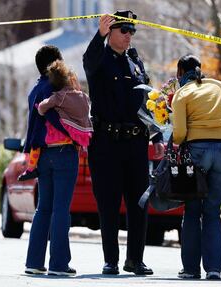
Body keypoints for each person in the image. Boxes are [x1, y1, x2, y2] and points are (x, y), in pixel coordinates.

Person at [82, 10, 164, 276]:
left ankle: (135, 260)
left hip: (135, 143)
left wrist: (157, 134)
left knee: (139, 203)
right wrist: (99, 35)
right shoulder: (100, 58)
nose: (129, 36)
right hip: (107, 142)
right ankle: (111, 260)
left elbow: (148, 101)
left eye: (132, 31)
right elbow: (88, 60)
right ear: (111, 32)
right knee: (108, 203)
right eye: (124, 31)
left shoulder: (135, 62)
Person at [171, 54, 221, 280]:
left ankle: (191, 269)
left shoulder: (182, 93)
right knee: (213, 210)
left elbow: (180, 133)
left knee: (192, 210)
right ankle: (214, 268)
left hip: (197, 152)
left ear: (180, 72)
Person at [23, 45, 78, 277]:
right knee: (61, 209)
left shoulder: (35, 89)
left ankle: (34, 262)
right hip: (64, 152)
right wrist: (77, 134)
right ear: (57, 63)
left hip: (42, 155)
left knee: (43, 208)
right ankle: (59, 264)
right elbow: (57, 117)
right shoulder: (57, 86)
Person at [18, 60, 93, 181]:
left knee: (35, 144)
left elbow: (43, 106)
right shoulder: (84, 96)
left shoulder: (59, 96)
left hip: (60, 136)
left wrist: (40, 110)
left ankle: (30, 168)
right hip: (82, 132)